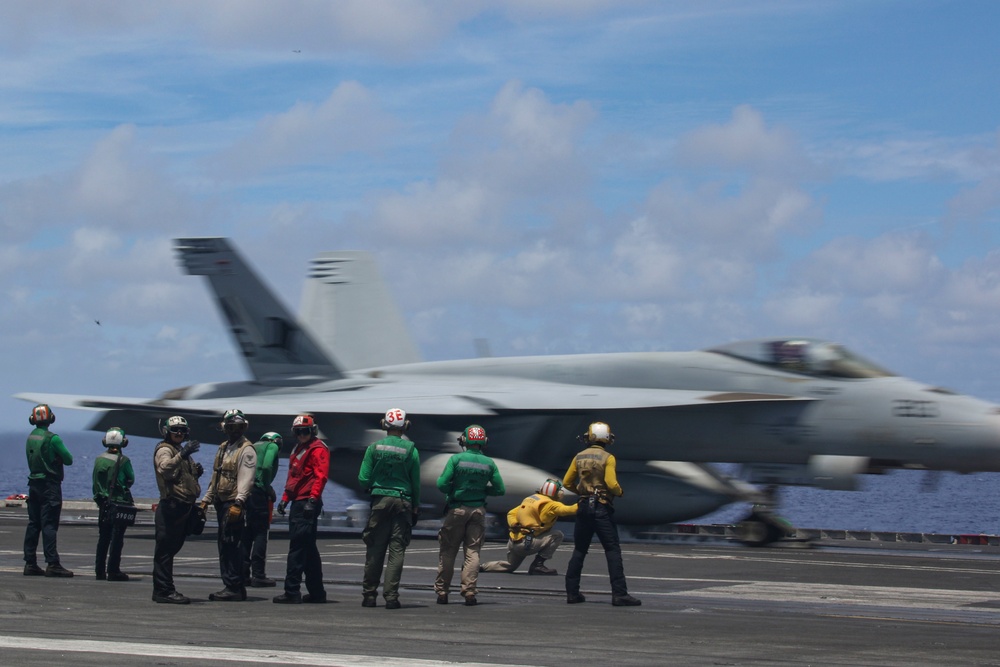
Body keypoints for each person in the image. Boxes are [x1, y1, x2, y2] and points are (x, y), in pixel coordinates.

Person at [562, 421, 640, 607]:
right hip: (601, 508)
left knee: (580, 550)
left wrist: (581, 490)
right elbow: (611, 483)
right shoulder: (608, 457)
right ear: (607, 438)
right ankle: (619, 594)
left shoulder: (579, 457)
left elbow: (566, 482)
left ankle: (572, 593)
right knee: (612, 550)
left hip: (582, 506)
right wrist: (619, 492)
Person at [357, 408, 421, 610]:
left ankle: (369, 596)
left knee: (375, 549)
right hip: (403, 503)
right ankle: (391, 597)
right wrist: (416, 507)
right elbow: (416, 483)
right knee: (396, 550)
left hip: (380, 502)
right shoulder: (411, 449)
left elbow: (363, 478)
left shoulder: (374, 448)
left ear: (384, 425)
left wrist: (374, 485)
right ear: (405, 426)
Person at [434, 424, 505, 606]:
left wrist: (456, 490)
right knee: (472, 552)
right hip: (478, 511)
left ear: (464, 440)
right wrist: (481, 490)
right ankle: (469, 593)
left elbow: (441, 484)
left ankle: (442, 592)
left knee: (449, 551)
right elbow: (500, 489)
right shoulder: (489, 463)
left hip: (457, 509)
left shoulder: (456, 459)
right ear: (484, 442)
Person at [201, 409, 257, 602]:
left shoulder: (246, 449)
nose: (235, 431)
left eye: (238, 427)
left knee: (232, 545)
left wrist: (239, 502)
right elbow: (216, 476)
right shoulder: (224, 447)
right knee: (225, 545)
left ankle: (234, 586)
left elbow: (247, 479)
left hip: (234, 503)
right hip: (221, 502)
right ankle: (232, 585)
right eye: (231, 427)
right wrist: (206, 499)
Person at [273, 414, 330, 604]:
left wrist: (312, 501)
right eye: (299, 432)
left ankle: (292, 591)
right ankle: (317, 593)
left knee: (297, 548)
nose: (302, 435)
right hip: (298, 502)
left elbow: (320, 476)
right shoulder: (298, 449)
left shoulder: (317, 449)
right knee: (308, 549)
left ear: (312, 431)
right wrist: (284, 499)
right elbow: (294, 477)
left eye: (305, 432)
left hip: (306, 502)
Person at [152, 415, 203, 604]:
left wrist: (195, 472)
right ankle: (164, 590)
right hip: (171, 506)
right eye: (175, 430)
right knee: (165, 551)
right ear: (167, 432)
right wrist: (182, 455)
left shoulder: (179, 450)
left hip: (182, 506)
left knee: (171, 549)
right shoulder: (165, 450)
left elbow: (181, 476)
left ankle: (162, 589)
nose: (179, 433)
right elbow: (164, 468)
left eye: (182, 430)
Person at [481, 478, 577, 575]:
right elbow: (569, 510)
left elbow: (511, 513)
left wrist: (514, 524)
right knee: (557, 535)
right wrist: (584, 502)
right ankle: (538, 565)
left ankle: (481, 566)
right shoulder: (551, 505)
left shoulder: (531, 499)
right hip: (526, 543)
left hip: (514, 542)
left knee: (510, 566)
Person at [23, 403, 74, 577]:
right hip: (49, 486)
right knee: (49, 525)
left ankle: (30, 563)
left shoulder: (31, 437)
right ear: (50, 418)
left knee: (33, 524)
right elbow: (69, 459)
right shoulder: (53, 439)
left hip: (34, 485)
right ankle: (52, 563)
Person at [92, 427, 136, 581]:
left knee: (103, 538)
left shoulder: (99, 459)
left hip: (104, 504)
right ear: (123, 442)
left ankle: (99, 571)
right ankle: (113, 570)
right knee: (117, 539)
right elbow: (130, 479)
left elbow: (95, 484)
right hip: (119, 503)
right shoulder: (123, 461)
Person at [242, 431, 281, 588]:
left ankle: (243, 575)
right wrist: (266, 487)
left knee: (246, 535)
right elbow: (266, 466)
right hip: (258, 493)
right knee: (260, 533)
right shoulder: (272, 446)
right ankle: (258, 575)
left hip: (244, 492)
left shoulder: (251, 446)